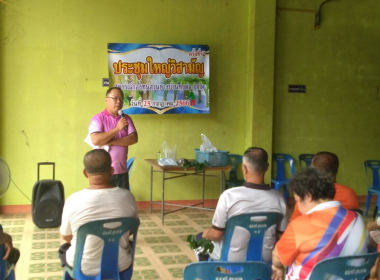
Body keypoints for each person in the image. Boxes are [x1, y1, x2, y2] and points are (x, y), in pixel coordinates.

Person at [272, 168, 369, 280]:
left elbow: (278, 257)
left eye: (297, 200)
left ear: (308, 196)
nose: (298, 206)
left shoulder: (300, 225)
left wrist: (277, 267)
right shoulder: (359, 219)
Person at [196, 147, 288, 262]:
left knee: (199, 239)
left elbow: (216, 235)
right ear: (267, 168)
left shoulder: (229, 196)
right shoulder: (279, 199)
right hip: (265, 257)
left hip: (232, 257)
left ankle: (213, 275)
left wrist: (206, 235)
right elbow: (282, 237)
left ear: (244, 168)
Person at [58, 149, 138, 276]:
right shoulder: (128, 197)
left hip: (83, 267)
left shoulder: (73, 200)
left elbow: (66, 236)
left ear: (85, 173)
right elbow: (130, 230)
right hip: (120, 265)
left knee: (63, 246)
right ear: (112, 171)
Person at [89, 87, 138, 190]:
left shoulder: (126, 118)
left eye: (121, 99)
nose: (118, 102)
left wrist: (112, 142)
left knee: (121, 204)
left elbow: (133, 139)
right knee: (104, 204)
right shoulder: (98, 118)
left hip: (121, 172)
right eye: (115, 98)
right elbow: (96, 140)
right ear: (106, 100)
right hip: (103, 173)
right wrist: (117, 129)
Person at [290, 151, 359, 222]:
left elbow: (294, 223)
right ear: (337, 169)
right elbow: (353, 219)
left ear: (314, 172)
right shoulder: (349, 194)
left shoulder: (306, 195)